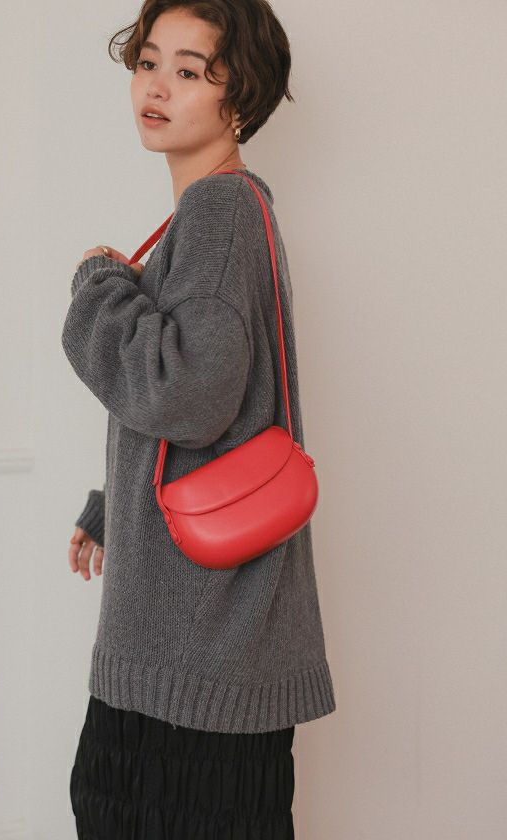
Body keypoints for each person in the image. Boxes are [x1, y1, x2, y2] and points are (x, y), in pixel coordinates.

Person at [62, 2, 337, 837]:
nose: (157, 87)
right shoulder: (216, 212)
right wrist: (118, 506)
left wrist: (98, 287)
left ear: (238, 96)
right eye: (149, 62)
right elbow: (215, 396)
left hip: (194, 654)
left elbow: (190, 395)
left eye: (190, 72)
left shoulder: (220, 213)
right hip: (202, 643)